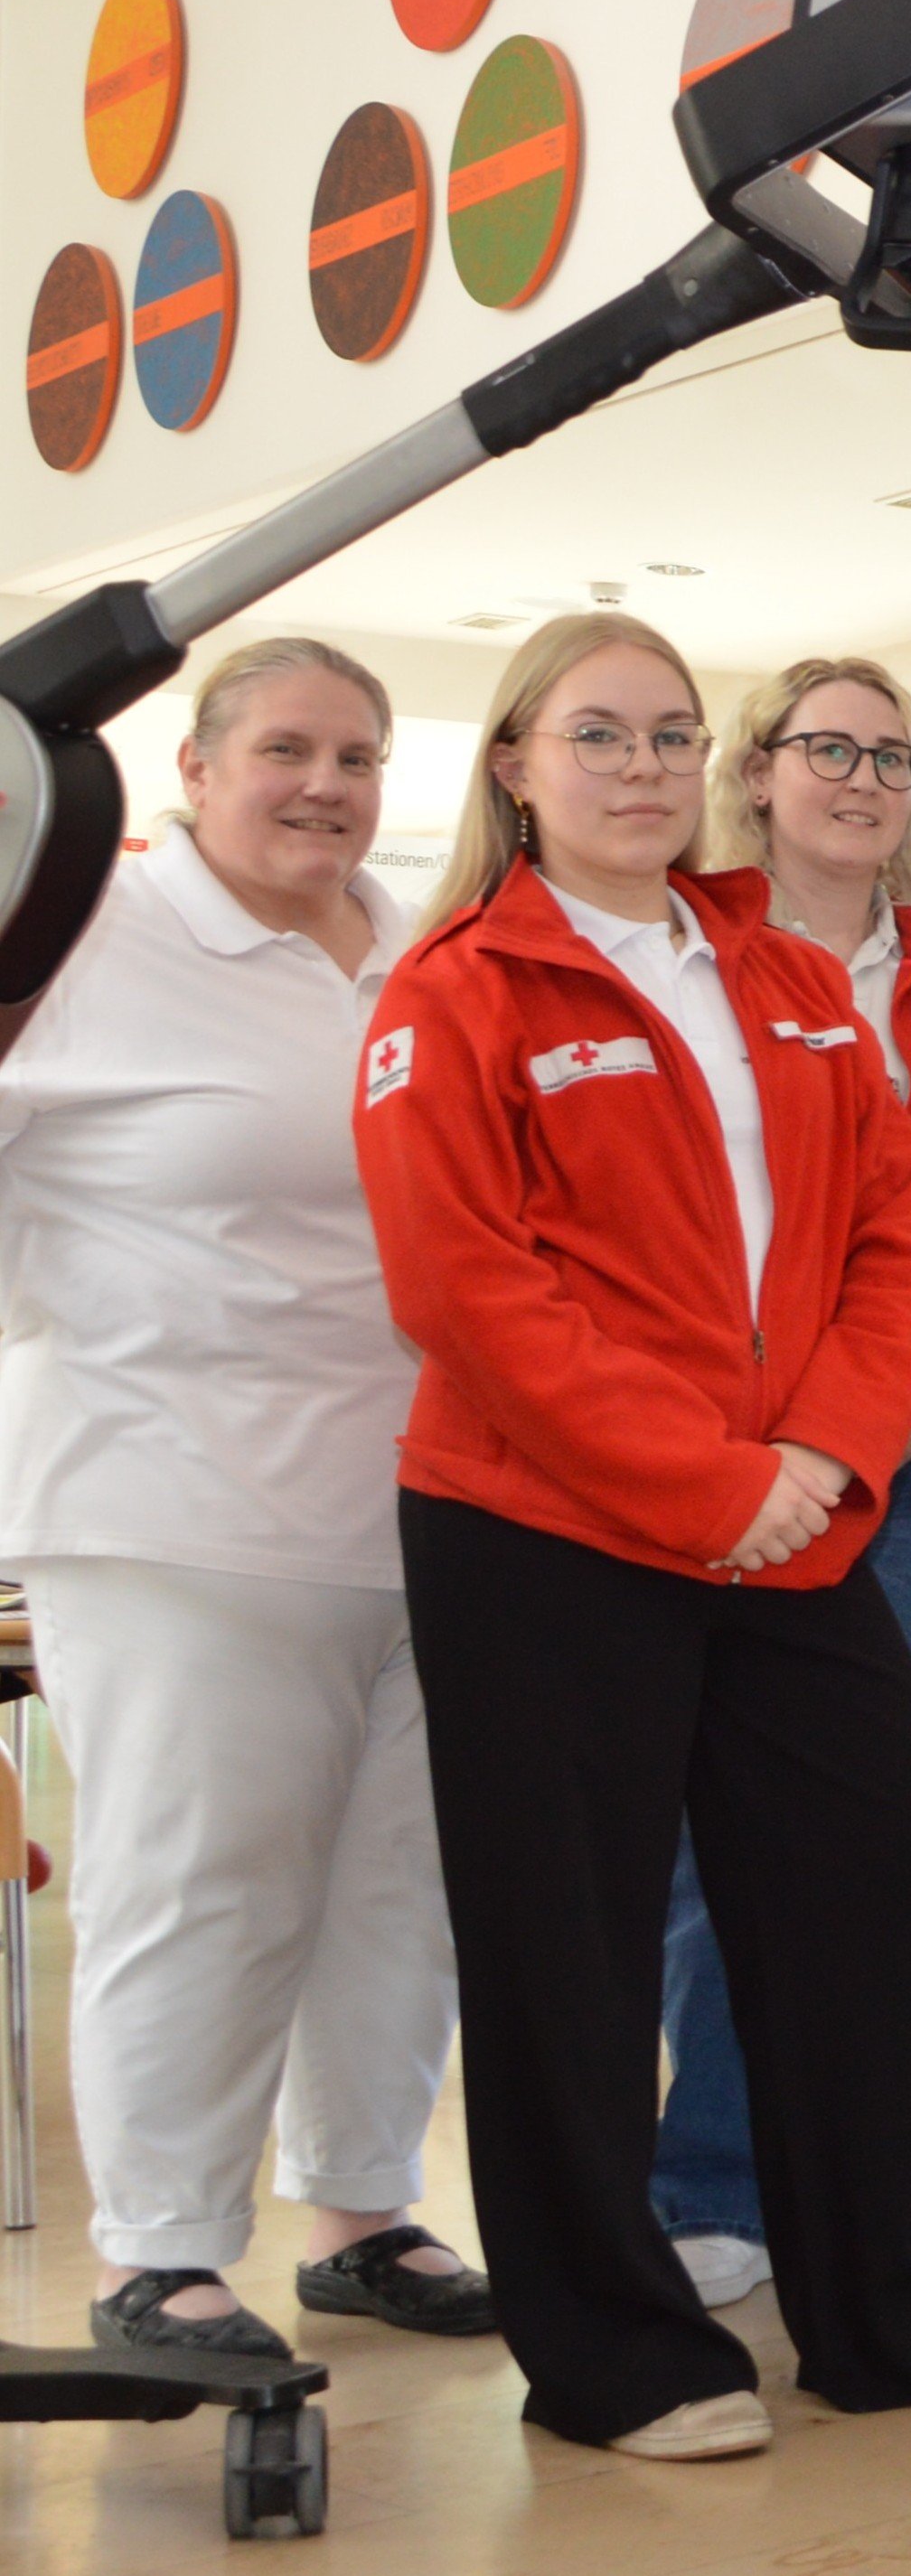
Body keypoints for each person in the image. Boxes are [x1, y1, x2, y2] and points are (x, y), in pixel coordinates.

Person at [357, 614, 911, 2456]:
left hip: (796, 1519)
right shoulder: (456, 989)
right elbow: (471, 1293)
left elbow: (899, 1231)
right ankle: (614, 2344)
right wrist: (708, 1479)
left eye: (671, 733)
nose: (643, 766)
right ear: (514, 761)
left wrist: (825, 1460)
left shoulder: (774, 969)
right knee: (573, 1948)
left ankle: (902, 2303)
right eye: (597, 734)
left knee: (881, 1898)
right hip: (544, 1531)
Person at [0, 642, 488, 2357]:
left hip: (431, 1502)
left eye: (357, 756)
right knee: (201, 1877)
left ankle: (361, 2209)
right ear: (194, 767)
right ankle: (161, 2247)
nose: (326, 787)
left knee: (397, 1883)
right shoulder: (80, 938)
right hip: (174, 1506)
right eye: (285, 749)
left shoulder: (419, 940)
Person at [637, 657, 911, 2308]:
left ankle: (856, 2182)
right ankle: (714, 2178)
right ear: (760, 770)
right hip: (724, 1466)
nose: (862, 778)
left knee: (887, 1841)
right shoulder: (678, 945)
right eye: (829, 749)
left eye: (895, 755)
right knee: (717, 1847)